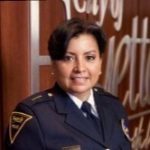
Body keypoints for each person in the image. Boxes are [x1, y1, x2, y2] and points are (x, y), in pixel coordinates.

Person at [5, 18, 131, 150]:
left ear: (100, 63)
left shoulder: (114, 106)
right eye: (68, 58)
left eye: (90, 58)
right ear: (53, 64)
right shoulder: (34, 117)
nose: (80, 68)